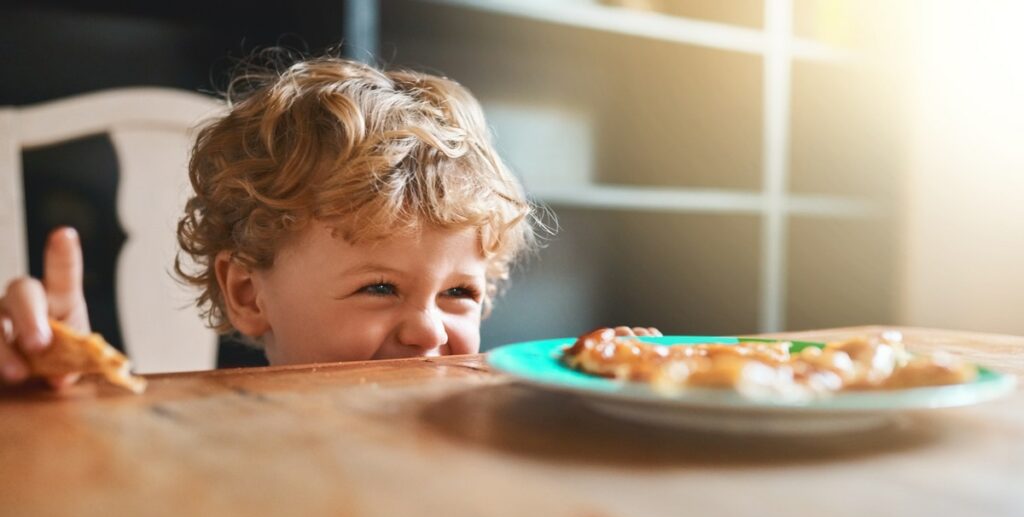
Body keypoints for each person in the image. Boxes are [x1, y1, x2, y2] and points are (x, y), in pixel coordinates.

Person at [0, 52, 657, 389]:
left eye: (461, 293)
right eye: (379, 287)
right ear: (249, 294)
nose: (429, 329)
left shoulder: (483, 420)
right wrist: (61, 405)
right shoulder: (218, 457)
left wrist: (621, 383)